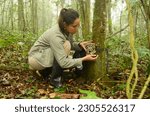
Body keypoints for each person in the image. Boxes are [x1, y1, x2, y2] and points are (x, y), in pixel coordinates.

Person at [28, 8, 98, 88]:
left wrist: (79, 45)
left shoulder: (65, 29)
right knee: (66, 45)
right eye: (74, 26)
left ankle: (44, 72)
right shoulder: (56, 35)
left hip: (43, 55)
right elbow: (63, 62)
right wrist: (84, 59)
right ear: (65, 24)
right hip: (36, 59)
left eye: (78, 25)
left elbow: (71, 44)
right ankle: (55, 80)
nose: (77, 28)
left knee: (67, 45)